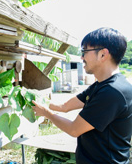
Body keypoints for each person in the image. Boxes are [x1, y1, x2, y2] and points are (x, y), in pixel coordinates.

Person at [32, 27, 132, 164]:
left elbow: (74, 129)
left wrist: (46, 114)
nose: (82, 57)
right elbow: (64, 106)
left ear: (103, 54)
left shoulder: (112, 92)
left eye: (85, 51)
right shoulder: (101, 85)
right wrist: (37, 100)